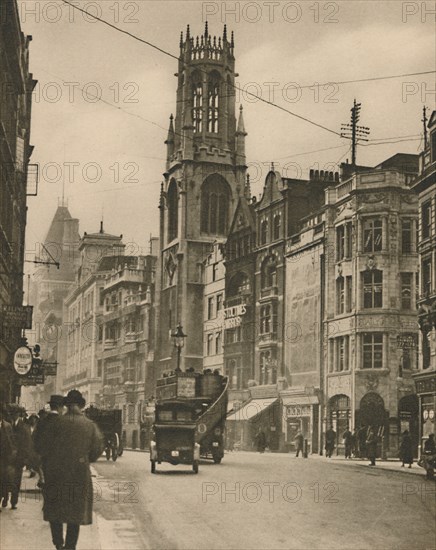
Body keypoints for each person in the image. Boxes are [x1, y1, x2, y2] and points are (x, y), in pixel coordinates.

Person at [39, 390, 104, 550]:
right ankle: (70, 546)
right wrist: (84, 459)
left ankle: (58, 543)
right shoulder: (90, 425)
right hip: (79, 474)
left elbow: (42, 448)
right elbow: (97, 450)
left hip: (56, 473)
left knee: (56, 510)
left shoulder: (54, 423)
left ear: (66, 406)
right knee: (74, 514)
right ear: (81, 406)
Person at [4, 404, 32, 509]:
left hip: (18, 458)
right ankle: (5, 498)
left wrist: (24, 459)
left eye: (15, 413)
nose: (13, 415)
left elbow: (27, 444)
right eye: (11, 413)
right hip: (7, 457)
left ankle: (13, 502)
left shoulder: (24, 426)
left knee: (16, 481)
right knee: (5, 479)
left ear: (18, 414)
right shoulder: (7, 425)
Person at [0, 405, 16, 512]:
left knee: (5, 478)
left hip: (5, 457)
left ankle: (5, 497)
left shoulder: (8, 426)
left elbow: (12, 441)